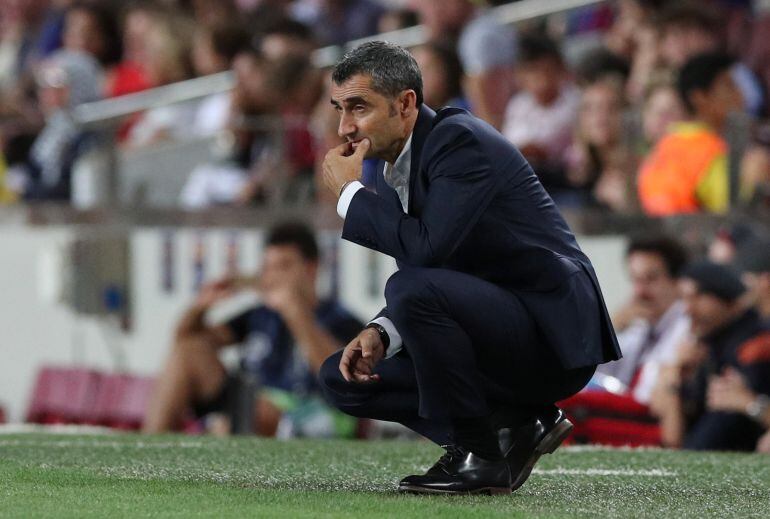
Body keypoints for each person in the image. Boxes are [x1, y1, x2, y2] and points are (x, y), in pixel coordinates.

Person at [319, 41, 620, 495]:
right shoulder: (388, 169)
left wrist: (348, 197)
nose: (345, 127)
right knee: (343, 378)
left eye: (358, 107)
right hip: (495, 326)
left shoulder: (459, 142)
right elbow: (437, 271)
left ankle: (479, 455)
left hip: (550, 335)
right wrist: (383, 333)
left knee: (410, 287)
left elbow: (427, 254)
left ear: (405, 104)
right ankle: (515, 425)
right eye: (340, 109)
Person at [143, 222, 363, 437]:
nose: (273, 275)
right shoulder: (260, 315)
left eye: (283, 266)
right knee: (188, 352)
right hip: (249, 404)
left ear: (311, 269)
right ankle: (150, 450)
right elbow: (184, 341)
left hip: (310, 413)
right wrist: (200, 307)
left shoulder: (340, 319)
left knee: (254, 410)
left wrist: (295, 313)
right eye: (268, 268)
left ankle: (224, 432)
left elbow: (340, 379)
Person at [650, 261, 770, 451]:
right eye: (684, 299)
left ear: (725, 297)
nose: (688, 309)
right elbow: (672, 439)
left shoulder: (758, 341)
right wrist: (675, 375)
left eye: (696, 297)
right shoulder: (706, 347)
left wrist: (750, 403)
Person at [637, 52, 744, 216]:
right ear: (700, 97)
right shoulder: (709, 150)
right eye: (728, 86)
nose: (740, 95)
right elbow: (737, 215)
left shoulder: (662, 147)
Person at [596, 235, 690, 405]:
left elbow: (648, 395)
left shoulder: (689, 328)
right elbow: (595, 375)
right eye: (635, 279)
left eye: (651, 279)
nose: (640, 291)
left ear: (678, 281)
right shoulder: (639, 327)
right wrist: (610, 328)